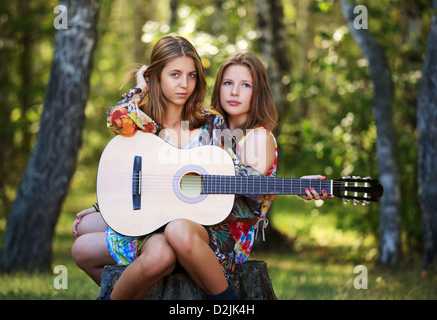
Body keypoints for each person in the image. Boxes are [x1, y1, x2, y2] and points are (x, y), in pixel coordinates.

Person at [75, 35, 268, 300]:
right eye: (175, 74)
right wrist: (140, 90)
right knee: (84, 236)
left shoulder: (212, 124)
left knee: (156, 248)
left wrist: (292, 186)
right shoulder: (143, 123)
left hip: (198, 232)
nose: (184, 84)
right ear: (157, 76)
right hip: (149, 224)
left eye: (191, 76)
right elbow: (117, 120)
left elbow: (233, 178)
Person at [210, 52, 333, 264]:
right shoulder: (209, 129)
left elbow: (243, 196)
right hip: (197, 225)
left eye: (246, 85)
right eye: (228, 82)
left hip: (226, 241)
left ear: (258, 92)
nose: (234, 92)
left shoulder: (257, 137)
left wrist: (293, 186)